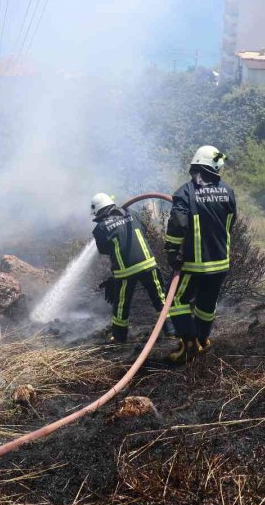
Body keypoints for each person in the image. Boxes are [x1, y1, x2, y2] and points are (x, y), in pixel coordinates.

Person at [163, 145, 237, 364]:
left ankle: (188, 344)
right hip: (220, 262)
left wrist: (172, 250)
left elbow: (178, 225)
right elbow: (231, 222)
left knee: (176, 300)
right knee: (207, 305)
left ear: (196, 165)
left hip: (195, 264)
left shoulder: (186, 192)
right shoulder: (227, 190)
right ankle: (203, 340)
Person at [91, 192, 175, 343]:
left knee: (122, 305)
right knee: (160, 298)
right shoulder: (132, 213)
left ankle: (119, 338)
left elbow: (104, 249)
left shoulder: (100, 228)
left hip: (125, 272)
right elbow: (143, 230)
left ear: (98, 212)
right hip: (149, 265)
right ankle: (171, 331)